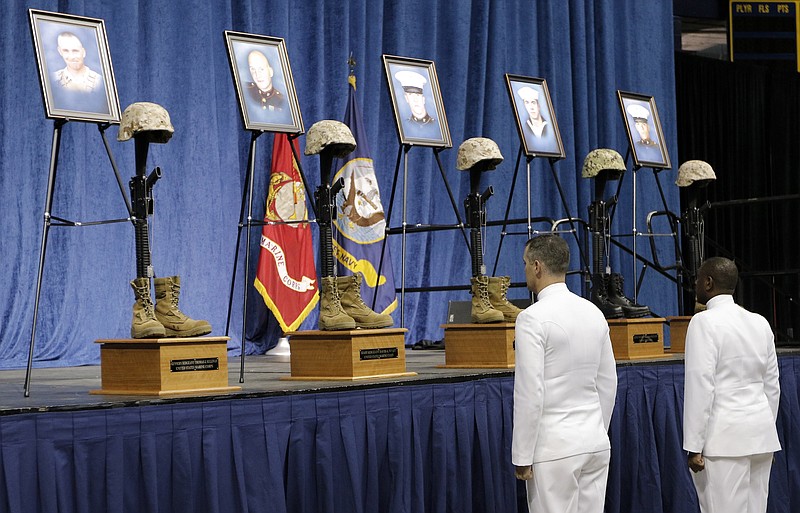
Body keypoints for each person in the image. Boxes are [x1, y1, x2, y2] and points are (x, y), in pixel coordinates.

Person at [512, 234, 617, 513]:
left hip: (554, 449)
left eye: (524, 263)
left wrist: (522, 454)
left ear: (537, 266)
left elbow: (530, 391)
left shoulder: (531, 318)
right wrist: (596, 430)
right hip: (594, 442)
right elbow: (608, 383)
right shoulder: (594, 312)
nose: (524, 270)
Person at [683, 257, 781, 513]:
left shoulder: (703, 322)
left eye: (698, 279)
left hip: (724, 442)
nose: (695, 283)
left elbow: (700, 386)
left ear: (708, 282)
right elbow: (772, 386)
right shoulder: (760, 322)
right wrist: (762, 426)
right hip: (761, 437)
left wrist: (694, 445)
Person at [394, 70, 441, 140]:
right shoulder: (404, 126)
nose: (415, 100)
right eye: (411, 95)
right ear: (406, 99)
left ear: (423, 98)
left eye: (418, 95)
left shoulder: (437, 126)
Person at [245, 50, 287, 114]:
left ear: (271, 72)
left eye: (261, 69)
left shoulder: (283, 101)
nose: (257, 75)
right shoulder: (245, 91)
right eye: (253, 69)